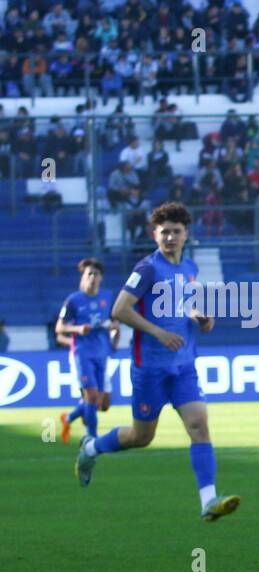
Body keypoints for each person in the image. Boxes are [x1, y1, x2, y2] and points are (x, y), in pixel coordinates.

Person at [75, 202, 241, 522]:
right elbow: (120, 310)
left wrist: (200, 317)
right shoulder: (147, 269)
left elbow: (185, 305)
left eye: (176, 232)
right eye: (164, 232)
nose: (170, 238)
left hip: (183, 366)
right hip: (150, 369)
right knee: (141, 437)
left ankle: (208, 500)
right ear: (154, 235)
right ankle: (91, 448)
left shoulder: (189, 268)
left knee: (199, 426)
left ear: (186, 234)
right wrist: (158, 332)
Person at [55, 258, 117, 443]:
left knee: (101, 402)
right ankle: (91, 438)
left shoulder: (107, 297)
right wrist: (77, 329)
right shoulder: (73, 300)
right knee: (91, 396)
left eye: (95, 274)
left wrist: (113, 329)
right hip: (82, 352)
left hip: (101, 352)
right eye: (88, 274)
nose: (92, 277)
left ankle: (69, 418)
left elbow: (115, 323)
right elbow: (59, 328)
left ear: (101, 278)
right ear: (83, 277)